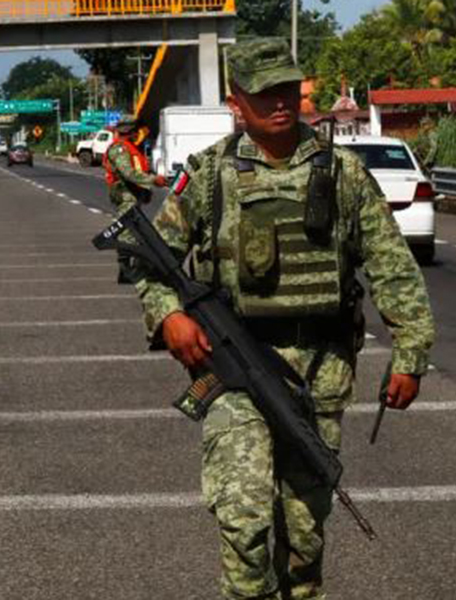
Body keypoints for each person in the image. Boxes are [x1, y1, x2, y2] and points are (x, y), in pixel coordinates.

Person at [133, 38, 435, 599]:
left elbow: (392, 267)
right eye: (264, 92)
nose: (279, 102)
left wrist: (411, 354)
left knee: (304, 537)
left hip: (319, 372)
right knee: (244, 525)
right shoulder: (209, 176)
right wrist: (168, 317)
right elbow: (151, 262)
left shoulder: (342, 174)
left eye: (287, 90)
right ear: (236, 102)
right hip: (233, 370)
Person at [104, 118, 166, 210]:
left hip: (133, 196)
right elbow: (128, 173)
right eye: (136, 131)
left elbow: (139, 169)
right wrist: (153, 179)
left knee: (135, 223)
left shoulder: (130, 147)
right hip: (126, 197)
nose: (138, 134)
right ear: (130, 132)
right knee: (127, 223)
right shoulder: (119, 149)